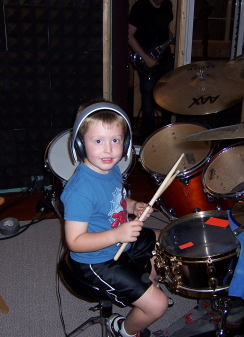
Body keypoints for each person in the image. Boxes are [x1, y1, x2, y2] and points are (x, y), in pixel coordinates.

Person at [60, 101, 168, 337]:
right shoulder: (80, 191)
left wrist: (133, 206)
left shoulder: (112, 169)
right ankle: (124, 330)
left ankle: (146, 284)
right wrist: (117, 235)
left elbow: (116, 201)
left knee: (165, 241)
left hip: (120, 239)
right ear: (80, 144)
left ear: (126, 143)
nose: (108, 150)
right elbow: (75, 242)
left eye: (116, 140)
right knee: (158, 306)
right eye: (98, 141)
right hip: (95, 261)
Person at [128, 0, 175, 141]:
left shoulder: (168, 4)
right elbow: (128, 35)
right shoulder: (140, 7)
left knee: (168, 97)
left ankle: (167, 137)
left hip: (166, 58)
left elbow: (164, 27)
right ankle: (148, 139)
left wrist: (172, 38)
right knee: (148, 101)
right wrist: (146, 58)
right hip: (146, 59)